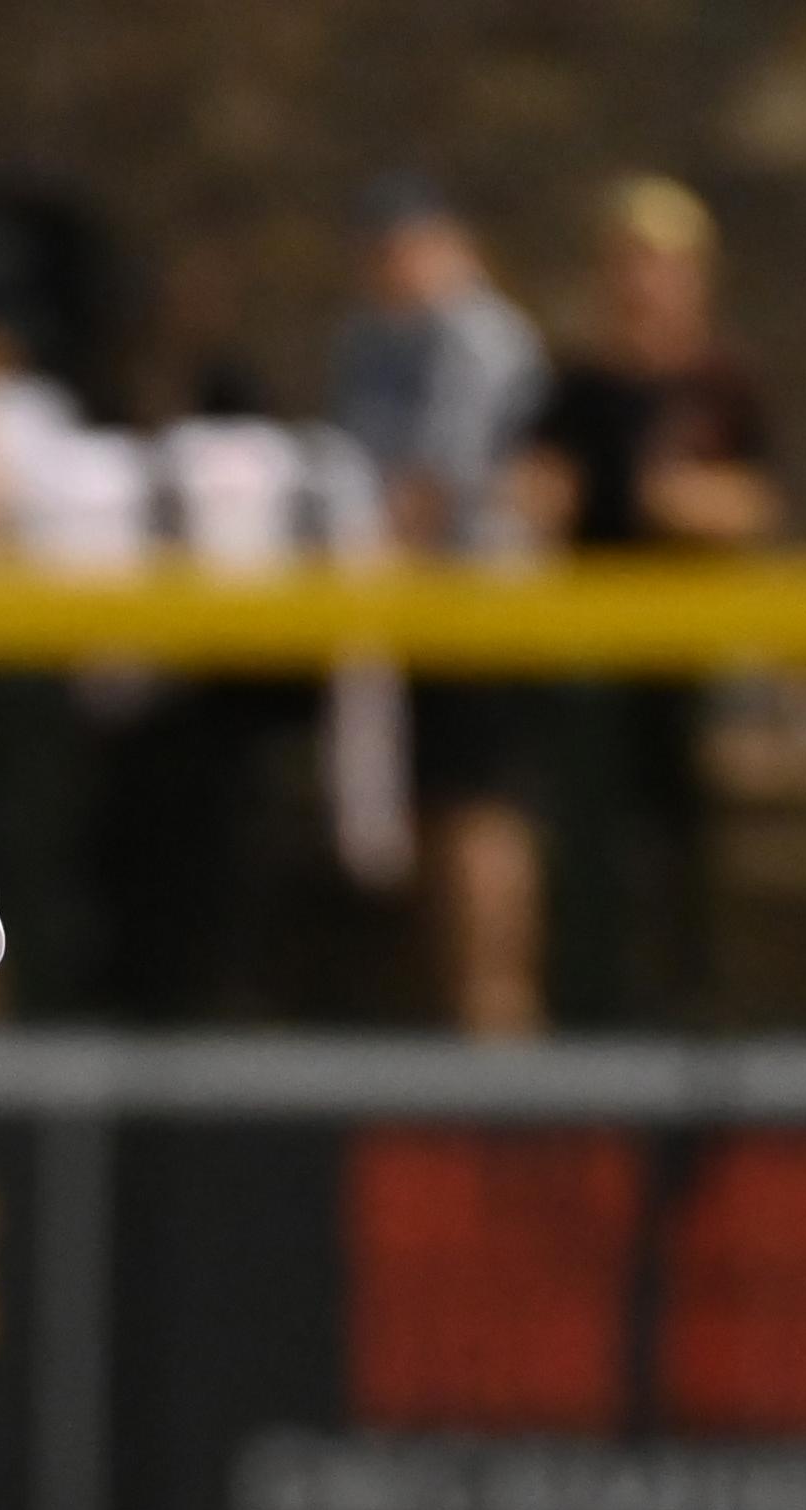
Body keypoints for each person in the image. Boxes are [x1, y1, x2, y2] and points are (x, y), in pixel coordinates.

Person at [504, 175, 779, 1030]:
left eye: (661, 264)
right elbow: (532, 491)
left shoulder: (722, 383)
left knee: (687, 844)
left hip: (692, 656)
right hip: (595, 655)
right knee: (588, 843)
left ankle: (694, 1009)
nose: (644, 282)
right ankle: (591, 1013)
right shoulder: (578, 385)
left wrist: (692, 503)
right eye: (629, 263)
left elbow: (756, 503)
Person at [327, 173, 550, 1031]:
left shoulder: (478, 336)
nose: (393, 267)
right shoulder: (373, 338)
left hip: (478, 610)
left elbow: (435, 485)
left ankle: (497, 1012)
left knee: (480, 811)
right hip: (405, 614)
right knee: (427, 814)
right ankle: (455, 1010)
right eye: (380, 251)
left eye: (408, 247)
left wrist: (368, 549)